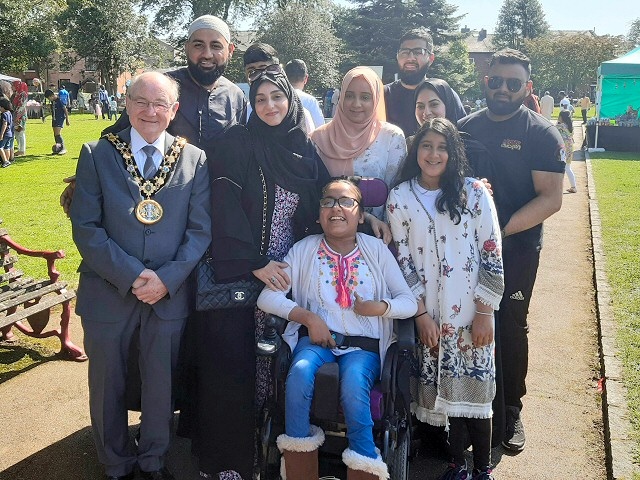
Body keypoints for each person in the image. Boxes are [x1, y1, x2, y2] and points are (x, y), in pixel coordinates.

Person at [181, 67, 328, 480]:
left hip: (287, 275)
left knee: (277, 367)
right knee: (233, 369)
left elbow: (326, 196)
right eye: (260, 99)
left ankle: (274, 456)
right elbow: (223, 205)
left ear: (291, 100)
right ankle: (229, 464)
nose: (269, 106)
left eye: (277, 98)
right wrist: (255, 261)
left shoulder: (301, 147)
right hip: (241, 272)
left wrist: (367, 220)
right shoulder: (236, 142)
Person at [69, 71, 211, 480]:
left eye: (159, 104)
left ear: (174, 110)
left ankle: (152, 462)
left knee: (160, 383)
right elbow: (87, 228)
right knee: (107, 381)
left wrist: (166, 279)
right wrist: (133, 276)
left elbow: (199, 231)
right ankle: (115, 464)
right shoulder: (96, 153)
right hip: (107, 290)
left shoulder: (193, 158)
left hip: (169, 292)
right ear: (126, 104)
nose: (150, 111)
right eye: (140, 102)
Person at [257, 178, 417, 480]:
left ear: (361, 215)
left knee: (355, 384)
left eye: (346, 202)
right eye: (328, 202)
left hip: (363, 347)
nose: (336, 208)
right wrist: (308, 318)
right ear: (318, 215)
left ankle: (365, 465)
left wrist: (379, 308)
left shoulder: (377, 251)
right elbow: (268, 296)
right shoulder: (304, 250)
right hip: (315, 342)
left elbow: (408, 301)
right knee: (301, 372)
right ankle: (299, 471)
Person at [458, 48, 565, 453]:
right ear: (485, 82)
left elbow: (550, 198)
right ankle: (466, 407)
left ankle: (511, 409)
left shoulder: (541, 134)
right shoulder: (464, 128)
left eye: (513, 83)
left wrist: (496, 230)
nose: (502, 88)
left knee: (509, 325)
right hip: (463, 253)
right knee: (466, 322)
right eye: (495, 81)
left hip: (516, 249)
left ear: (527, 88)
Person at [388, 118, 504, 480]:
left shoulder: (473, 192)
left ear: (453, 153)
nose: (433, 154)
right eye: (426, 146)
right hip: (431, 313)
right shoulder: (400, 197)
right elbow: (402, 260)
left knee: (475, 395)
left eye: (442, 147)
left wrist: (485, 310)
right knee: (444, 390)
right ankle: (456, 465)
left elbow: (491, 250)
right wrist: (420, 314)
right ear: (415, 151)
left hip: (472, 311)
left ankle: (481, 469)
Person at [59, 14, 246, 214]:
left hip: (219, 205)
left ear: (230, 50)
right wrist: (86, 178)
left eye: (216, 46)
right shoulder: (161, 86)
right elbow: (115, 137)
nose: (207, 54)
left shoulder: (236, 96)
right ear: (186, 47)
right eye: (199, 45)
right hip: (162, 204)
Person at [312, 66, 406, 222]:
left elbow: (396, 193)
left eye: (365, 97)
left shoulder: (392, 137)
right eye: (349, 96)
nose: (356, 104)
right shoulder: (318, 139)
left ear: (376, 99)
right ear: (341, 97)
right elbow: (314, 193)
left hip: (378, 235)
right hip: (329, 233)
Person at [384, 28, 465, 137]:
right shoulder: (383, 95)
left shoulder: (444, 95)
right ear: (397, 56)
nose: (410, 58)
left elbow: (462, 138)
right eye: (405, 52)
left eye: (418, 52)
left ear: (431, 58)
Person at [284, 59, 325, 129]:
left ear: (285, 77)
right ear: (306, 78)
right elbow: (320, 127)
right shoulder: (310, 101)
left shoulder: (278, 99)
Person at [44, 88, 70, 155]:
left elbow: (65, 110)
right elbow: (52, 111)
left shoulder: (59, 100)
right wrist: (45, 116)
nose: (49, 100)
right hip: (54, 118)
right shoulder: (53, 102)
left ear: (51, 96)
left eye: (49, 98)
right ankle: (58, 148)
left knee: (58, 134)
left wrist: (67, 119)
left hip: (60, 118)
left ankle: (63, 148)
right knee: (55, 134)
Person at [556, 110, 577, 193]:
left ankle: (571, 187)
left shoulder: (560, 126)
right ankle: (573, 186)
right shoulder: (570, 126)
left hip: (563, 149)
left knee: (563, 168)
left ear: (561, 117)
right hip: (570, 148)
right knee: (567, 167)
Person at [11, 80, 28, 156]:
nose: (12, 87)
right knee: (17, 133)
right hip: (16, 115)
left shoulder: (23, 94)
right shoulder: (17, 94)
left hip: (21, 116)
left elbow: (22, 106)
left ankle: (22, 150)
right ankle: (19, 149)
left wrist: (17, 116)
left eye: (13, 86)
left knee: (20, 133)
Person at [0, 97, 14, 167]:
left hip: (5, 134)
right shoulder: (9, 113)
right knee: (7, 147)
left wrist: (1, 134)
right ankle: (7, 160)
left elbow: (4, 124)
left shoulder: (4, 114)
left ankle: (5, 161)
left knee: (0, 147)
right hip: (10, 133)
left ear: (3, 107)